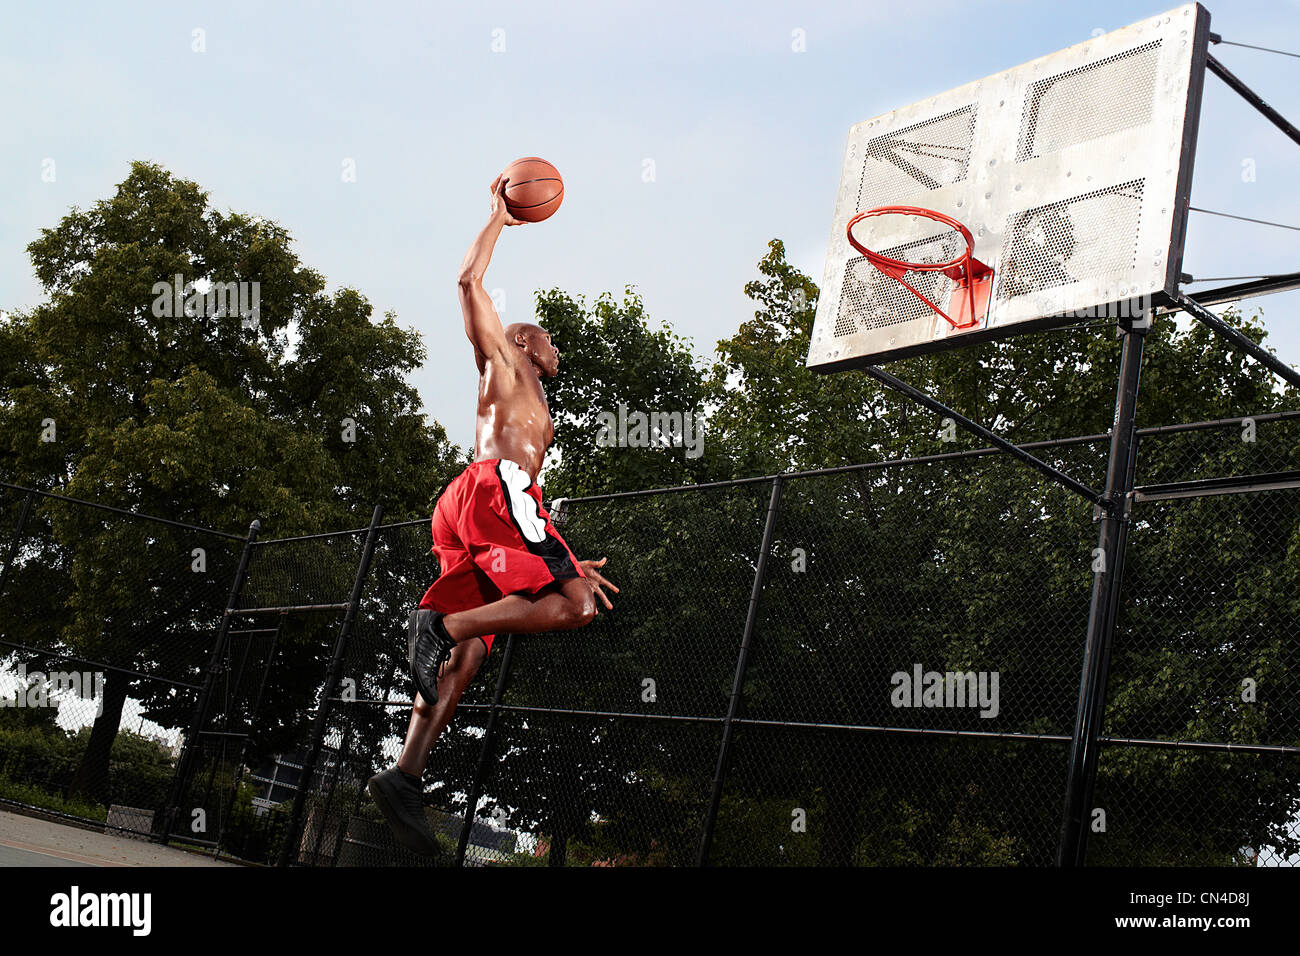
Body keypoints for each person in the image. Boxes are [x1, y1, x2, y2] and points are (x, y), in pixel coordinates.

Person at [368, 174, 618, 858]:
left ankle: (404, 775)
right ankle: (438, 622)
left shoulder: (537, 403)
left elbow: (527, 506)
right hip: (492, 492)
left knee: (471, 654)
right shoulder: (504, 365)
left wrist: (555, 548)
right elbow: (465, 283)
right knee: (575, 606)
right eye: (549, 338)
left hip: (492, 505)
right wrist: (499, 220)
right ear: (525, 341)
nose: (556, 346)